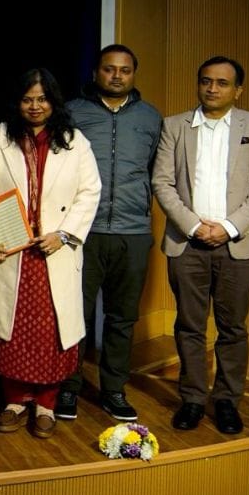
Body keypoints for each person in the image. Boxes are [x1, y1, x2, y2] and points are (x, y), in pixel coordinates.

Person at [0, 68, 100, 439]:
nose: (35, 106)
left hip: (53, 250)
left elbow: (90, 192)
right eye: (28, 99)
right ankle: (14, 402)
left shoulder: (74, 141)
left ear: (54, 101)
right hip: (9, 251)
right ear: (17, 102)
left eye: (42, 99)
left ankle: (46, 405)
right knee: (12, 332)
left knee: (49, 332)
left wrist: (65, 234)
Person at [152, 56, 249, 435]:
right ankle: (194, 399)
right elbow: (162, 182)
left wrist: (228, 228)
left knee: (233, 327)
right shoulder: (174, 126)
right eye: (206, 81)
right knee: (189, 325)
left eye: (222, 83)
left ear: (238, 90)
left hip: (238, 245)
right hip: (188, 243)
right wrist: (195, 226)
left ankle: (227, 400)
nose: (212, 88)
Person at [58, 45, 162, 421]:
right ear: (95, 73)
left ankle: (114, 390)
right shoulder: (72, 113)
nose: (117, 76)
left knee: (122, 317)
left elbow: (156, 172)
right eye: (109, 69)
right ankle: (68, 387)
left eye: (125, 70)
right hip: (83, 231)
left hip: (133, 233)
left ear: (133, 74)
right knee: (76, 315)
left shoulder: (150, 117)